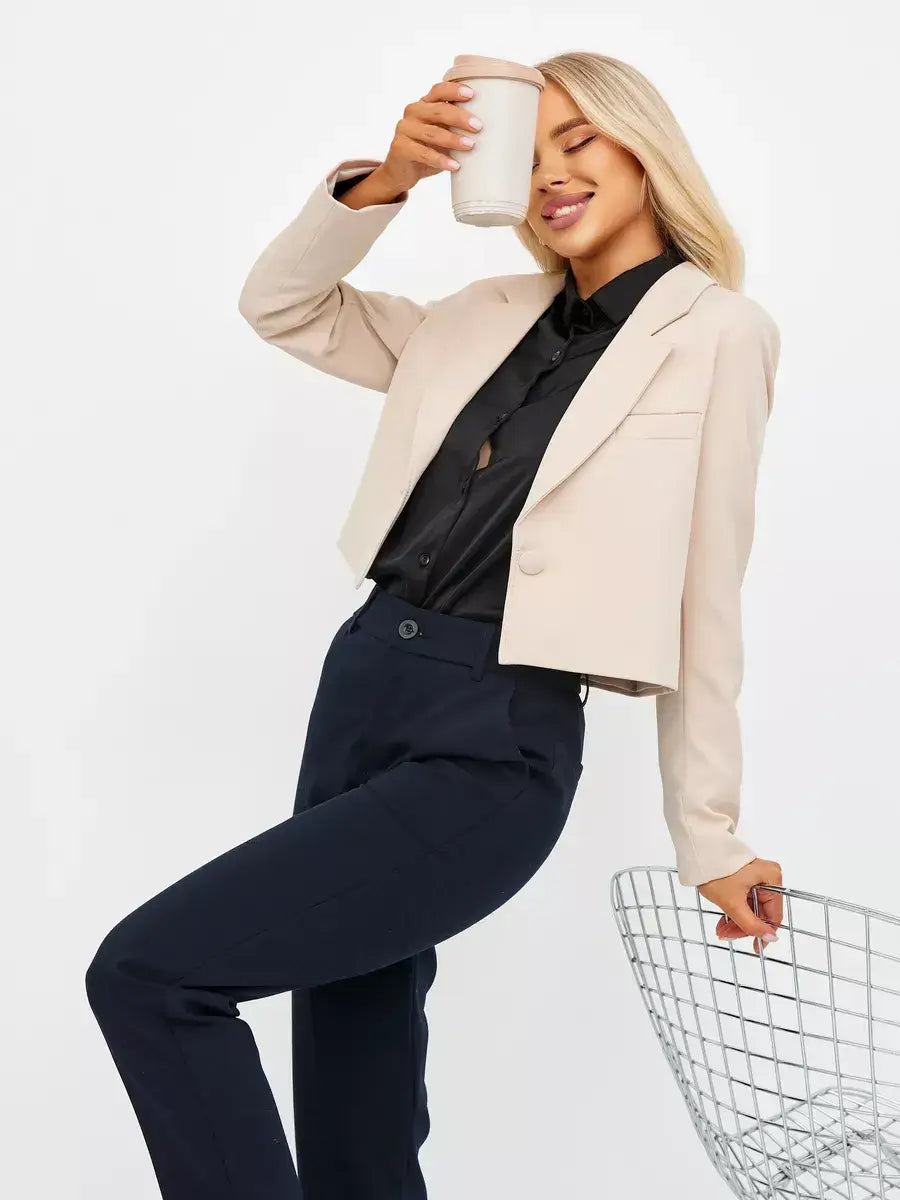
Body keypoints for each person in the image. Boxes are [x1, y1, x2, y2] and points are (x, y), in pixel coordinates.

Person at [85, 50, 784, 1200]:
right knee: (355, 1110)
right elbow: (285, 307)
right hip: (362, 688)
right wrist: (393, 178)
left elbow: (710, 594)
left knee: (154, 978)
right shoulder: (479, 316)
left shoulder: (719, 337)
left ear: (642, 147)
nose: (555, 176)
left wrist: (708, 836)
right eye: (533, 150)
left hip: (495, 733)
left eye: (582, 142)